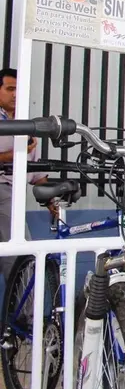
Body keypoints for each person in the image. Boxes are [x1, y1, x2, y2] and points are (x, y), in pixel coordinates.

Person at [0, 68, 48, 279]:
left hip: (15, 195)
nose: (15, 94)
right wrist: (14, 155)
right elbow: (16, 156)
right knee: (21, 257)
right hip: (3, 189)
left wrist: (51, 198)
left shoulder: (25, 123)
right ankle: (26, 313)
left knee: (15, 257)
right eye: (10, 89)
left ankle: (18, 310)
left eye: (19, 90)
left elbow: (36, 174)